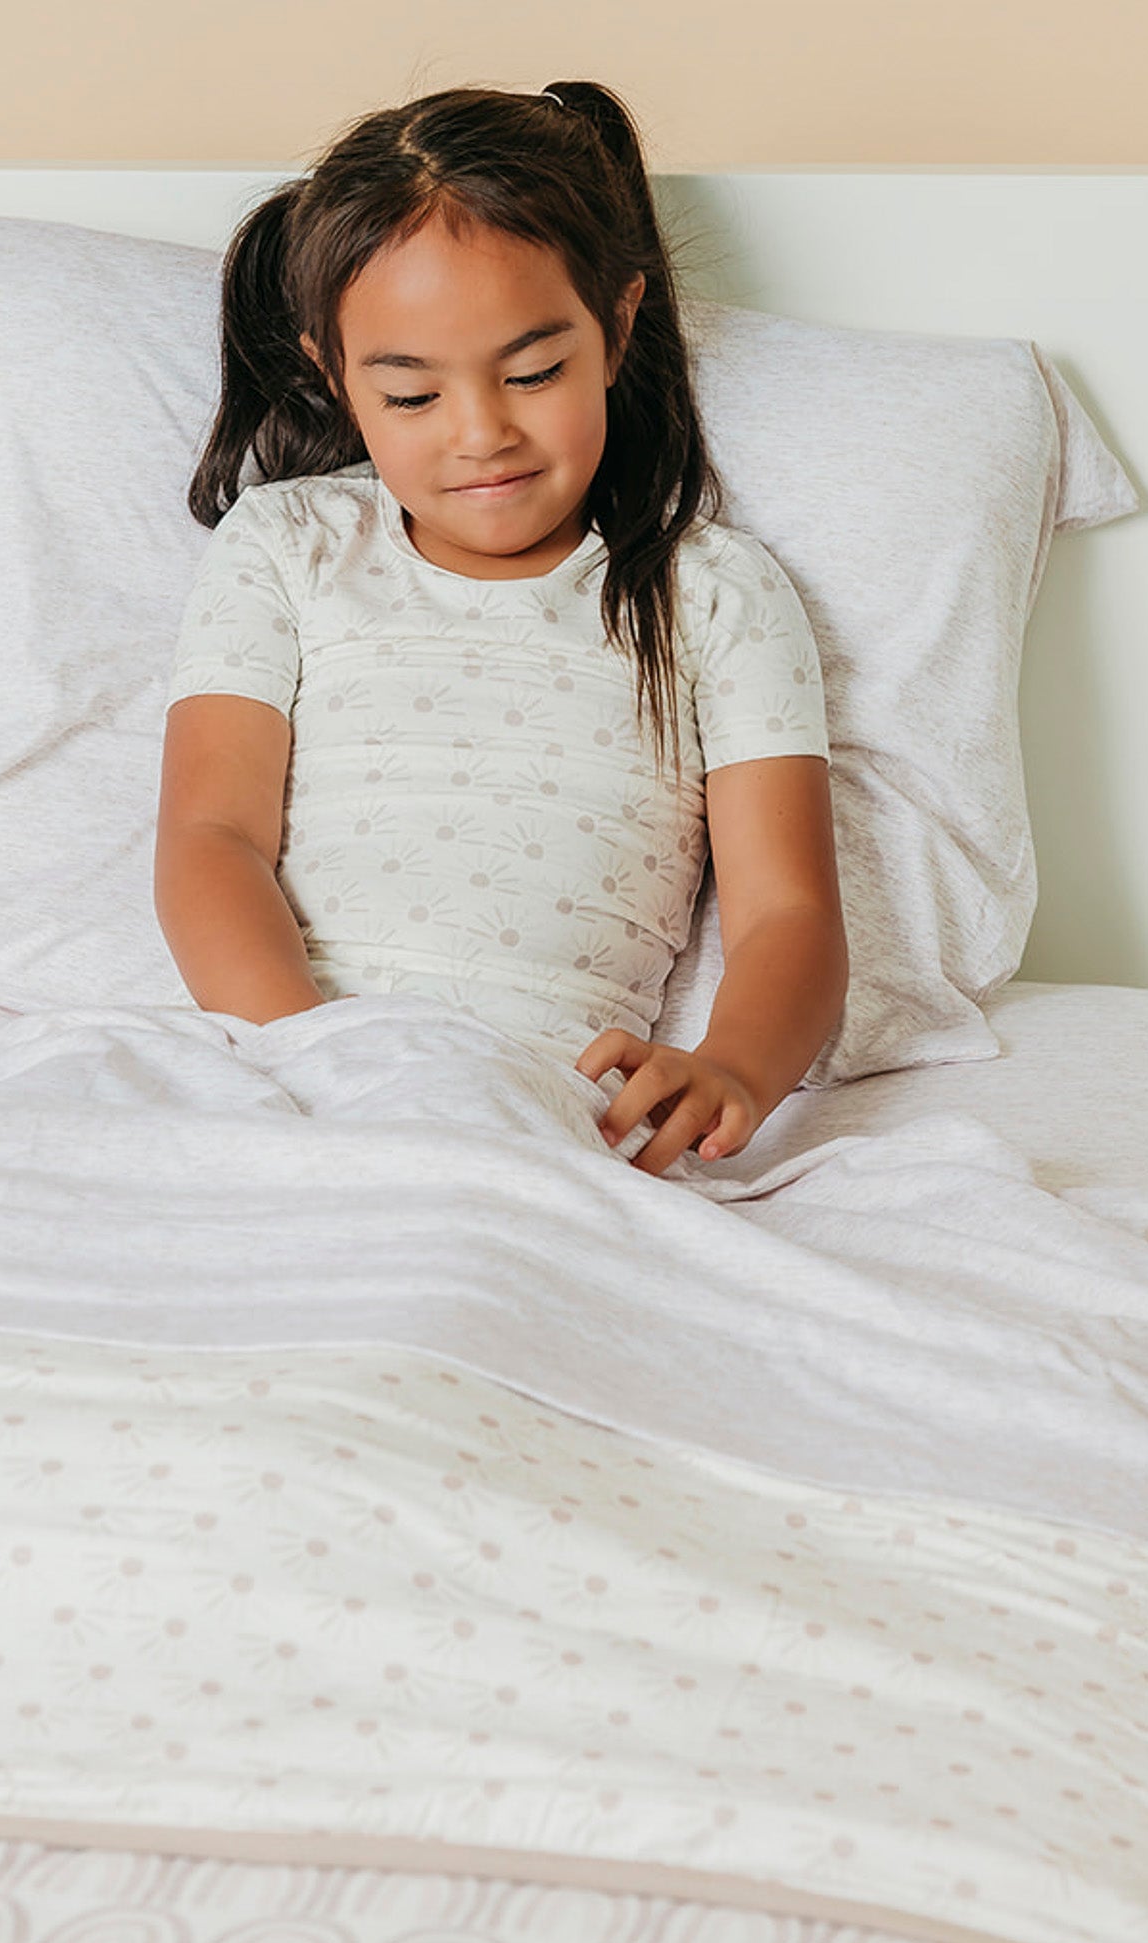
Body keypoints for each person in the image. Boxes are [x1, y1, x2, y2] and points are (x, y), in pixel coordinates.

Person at [155, 81, 846, 1178]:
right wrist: (318, 1057)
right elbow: (209, 836)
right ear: (334, 372)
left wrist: (735, 1069)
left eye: (532, 374)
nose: (481, 434)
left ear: (617, 326)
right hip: (279, 1072)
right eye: (412, 397)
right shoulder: (287, 545)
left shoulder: (716, 594)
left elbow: (787, 911)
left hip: (546, 1111)